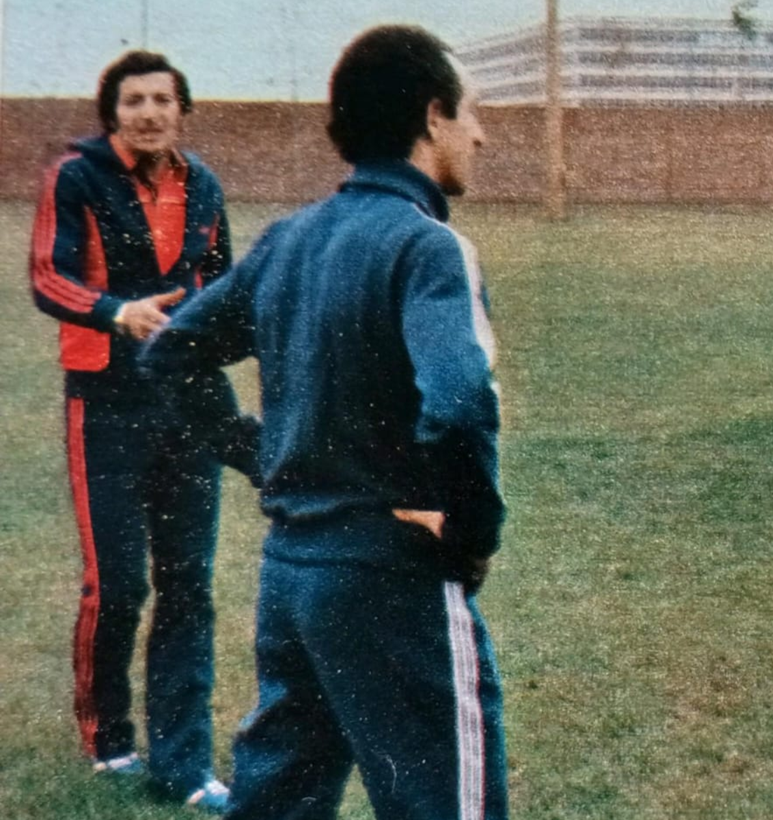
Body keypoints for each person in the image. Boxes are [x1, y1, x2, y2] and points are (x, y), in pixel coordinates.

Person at [142, 25, 507, 820]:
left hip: (293, 579)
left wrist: (256, 450)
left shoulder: (287, 240)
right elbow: (460, 403)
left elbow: (169, 355)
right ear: (433, 115)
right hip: (391, 577)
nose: (481, 132)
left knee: (276, 801)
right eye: (473, 111)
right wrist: (472, 535)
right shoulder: (429, 246)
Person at [28, 49, 244, 813]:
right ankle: (106, 733)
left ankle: (184, 762)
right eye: (132, 101)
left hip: (183, 397)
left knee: (189, 581)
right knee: (118, 583)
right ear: (111, 113)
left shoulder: (204, 184)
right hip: (104, 399)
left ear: (182, 107)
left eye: (161, 99)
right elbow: (47, 277)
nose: (148, 113)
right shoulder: (77, 175)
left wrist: (206, 321)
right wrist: (117, 313)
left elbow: (220, 280)